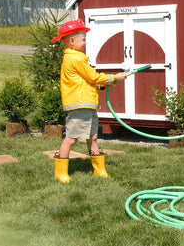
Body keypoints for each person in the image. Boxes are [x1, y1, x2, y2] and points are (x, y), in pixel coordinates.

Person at [51, 19, 127, 183]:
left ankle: (99, 171)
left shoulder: (75, 58)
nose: (85, 42)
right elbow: (92, 76)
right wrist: (114, 77)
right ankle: (60, 173)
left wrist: (104, 84)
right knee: (71, 138)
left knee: (92, 138)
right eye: (83, 39)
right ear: (72, 41)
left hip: (86, 103)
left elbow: (85, 81)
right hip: (80, 104)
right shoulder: (76, 58)